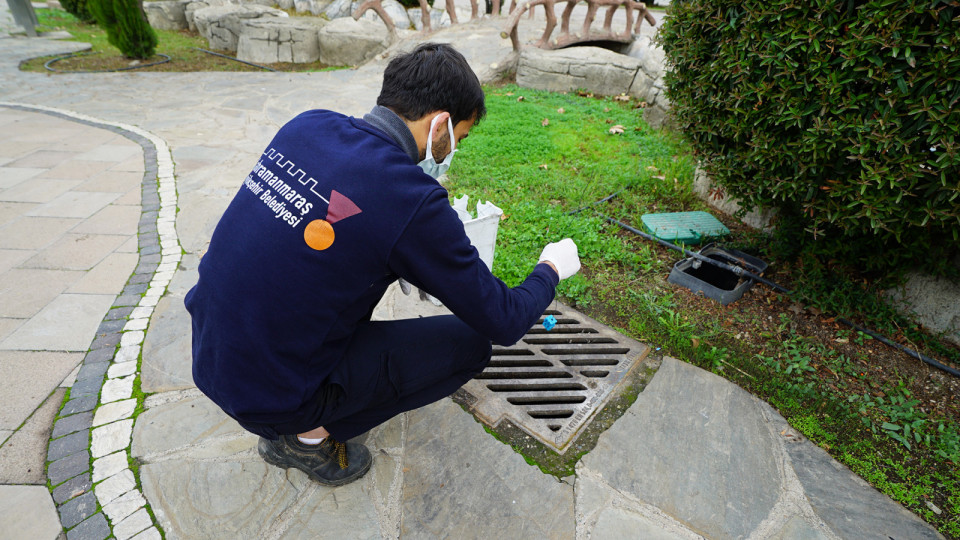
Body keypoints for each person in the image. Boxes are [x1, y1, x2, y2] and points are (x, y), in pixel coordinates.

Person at [185, 42, 581, 487]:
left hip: (210, 354)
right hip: (272, 396)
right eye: (460, 138)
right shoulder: (409, 197)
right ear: (440, 124)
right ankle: (305, 438)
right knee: (472, 345)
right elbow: (503, 320)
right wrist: (550, 268)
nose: (453, 151)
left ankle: (298, 411)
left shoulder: (307, 125)